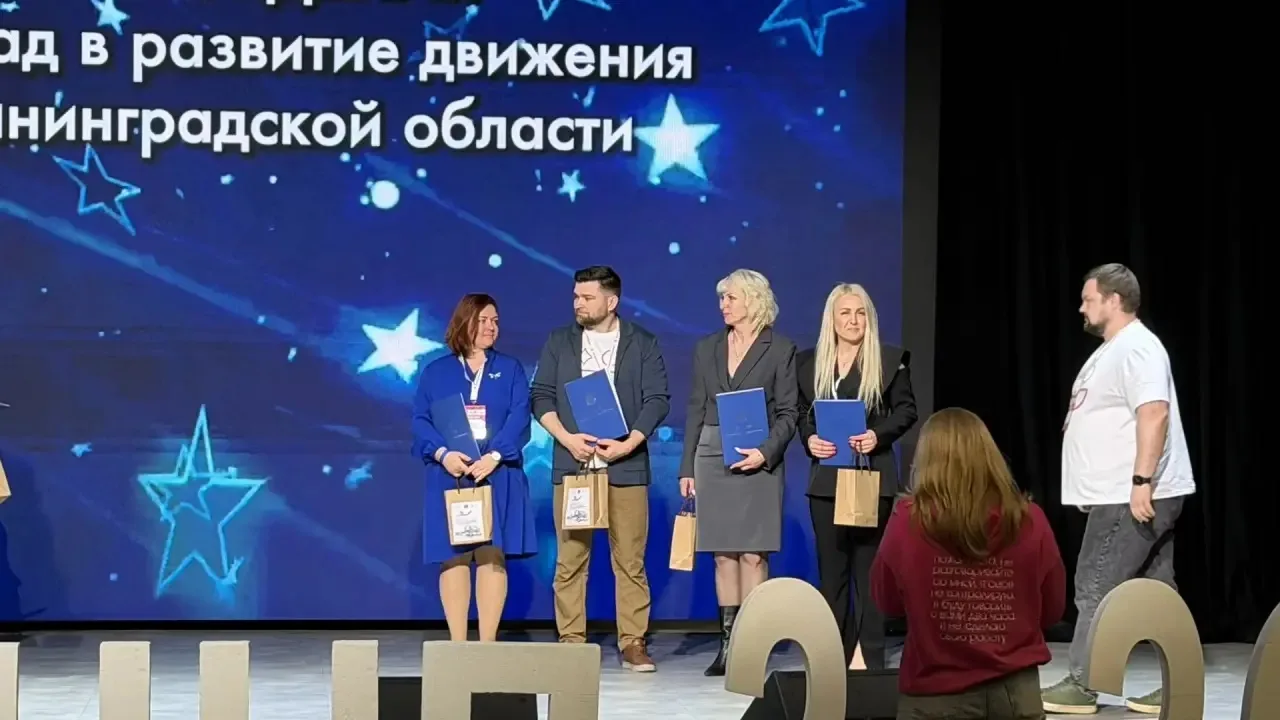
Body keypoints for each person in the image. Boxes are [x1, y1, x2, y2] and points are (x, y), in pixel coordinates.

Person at [1040, 263, 1195, 716]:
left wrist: (1141, 481)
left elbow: (1154, 413)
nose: (1081, 308)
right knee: (1157, 590)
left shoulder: (1137, 347)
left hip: (1132, 494)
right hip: (1124, 492)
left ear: (1113, 299)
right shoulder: (1114, 349)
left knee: (1095, 584)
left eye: (1088, 299)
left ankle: (1083, 684)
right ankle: (1178, 685)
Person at [871, 408, 1066, 720]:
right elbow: (1053, 609)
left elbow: (887, 602)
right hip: (1016, 694)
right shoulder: (1031, 519)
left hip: (934, 695)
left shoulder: (907, 521)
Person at [530, 266, 670, 672]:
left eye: (587, 297)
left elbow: (658, 400)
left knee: (630, 560)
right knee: (570, 559)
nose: (578, 303)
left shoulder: (642, 342)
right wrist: (567, 439)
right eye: (576, 296)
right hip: (575, 466)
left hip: (625, 466)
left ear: (612, 301)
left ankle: (633, 642)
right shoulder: (559, 341)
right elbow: (541, 397)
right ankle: (572, 640)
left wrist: (629, 443)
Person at [679, 268, 798, 677]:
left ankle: (754, 645)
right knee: (722, 553)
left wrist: (765, 453)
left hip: (758, 456)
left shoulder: (780, 348)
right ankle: (728, 647)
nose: (723, 305)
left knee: (752, 553)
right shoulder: (707, 347)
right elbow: (696, 407)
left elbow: (789, 412)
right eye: (722, 298)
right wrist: (687, 465)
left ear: (753, 299)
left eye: (730, 297)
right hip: (712, 453)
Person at [796, 283, 917, 670]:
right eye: (845, 313)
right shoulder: (808, 363)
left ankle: (868, 655)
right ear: (831, 319)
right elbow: (800, 414)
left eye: (860, 313)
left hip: (870, 479)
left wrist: (877, 436)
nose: (853, 321)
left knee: (869, 572)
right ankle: (834, 655)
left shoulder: (889, 361)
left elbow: (906, 411)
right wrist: (809, 439)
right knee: (832, 576)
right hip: (826, 483)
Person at [410, 293, 536, 642]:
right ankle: (458, 645)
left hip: (496, 472)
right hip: (451, 474)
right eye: (483, 320)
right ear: (463, 322)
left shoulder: (509, 369)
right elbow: (420, 421)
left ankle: (487, 644)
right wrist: (443, 455)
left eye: (495, 321)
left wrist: (494, 456)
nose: (491, 327)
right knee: (453, 557)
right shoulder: (436, 372)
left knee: (492, 555)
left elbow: (520, 416)